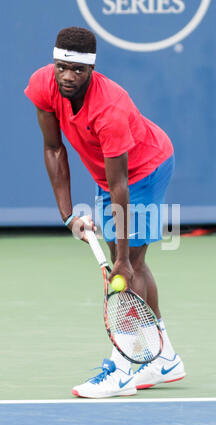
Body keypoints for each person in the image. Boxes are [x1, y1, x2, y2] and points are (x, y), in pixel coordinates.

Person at [24, 26, 185, 398]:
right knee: (126, 265)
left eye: (77, 71)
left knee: (129, 268)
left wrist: (124, 259)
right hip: (108, 172)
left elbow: (119, 188)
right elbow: (53, 149)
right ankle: (165, 357)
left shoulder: (110, 108)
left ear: (91, 70)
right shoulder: (43, 85)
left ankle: (125, 368)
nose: (67, 77)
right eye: (62, 67)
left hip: (144, 169)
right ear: (54, 63)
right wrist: (68, 216)